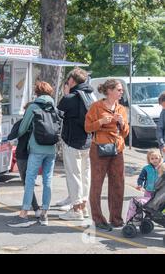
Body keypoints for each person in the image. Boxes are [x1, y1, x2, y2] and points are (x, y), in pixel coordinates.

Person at [8, 81, 59, 227]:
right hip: (51, 148)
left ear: (36, 93)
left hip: (36, 148)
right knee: (47, 181)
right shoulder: (53, 106)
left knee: (30, 180)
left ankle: (24, 214)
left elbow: (23, 127)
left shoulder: (33, 107)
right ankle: (44, 214)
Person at [85, 79, 129, 231]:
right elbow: (87, 127)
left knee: (118, 184)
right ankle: (98, 219)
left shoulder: (121, 108)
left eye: (121, 90)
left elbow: (125, 132)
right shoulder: (96, 107)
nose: (121, 92)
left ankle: (116, 219)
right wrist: (101, 121)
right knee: (97, 184)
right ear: (109, 91)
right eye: (119, 89)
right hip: (99, 149)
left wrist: (122, 123)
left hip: (117, 149)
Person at [58, 68, 93, 221]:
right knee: (85, 175)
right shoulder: (91, 95)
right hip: (88, 141)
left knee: (74, 176)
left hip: (72, 141)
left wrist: (65, 94)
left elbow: (58, 115)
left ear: (72, 81)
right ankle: (84, 207)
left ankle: (76, 209)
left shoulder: (70, 98)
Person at [11, 103, 41, 219]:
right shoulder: (39, 123)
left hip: (23, 155)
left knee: (27, 183)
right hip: (36, 154)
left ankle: (35, 208)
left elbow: (11, 136)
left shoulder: (22, 123)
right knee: (31, 182)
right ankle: (37, 208)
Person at [126, 150, 163, 222]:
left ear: (160, 158)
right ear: (149, 160)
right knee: (148, 206)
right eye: (152, 159)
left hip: (159, 192)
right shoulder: (146, 169)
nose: (154, 160)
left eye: (156, 158)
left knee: (157, 205)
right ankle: (147, 217)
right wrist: (140, 184)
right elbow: (141, 177)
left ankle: (153, 217)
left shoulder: (162, 167)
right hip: (148, 191)